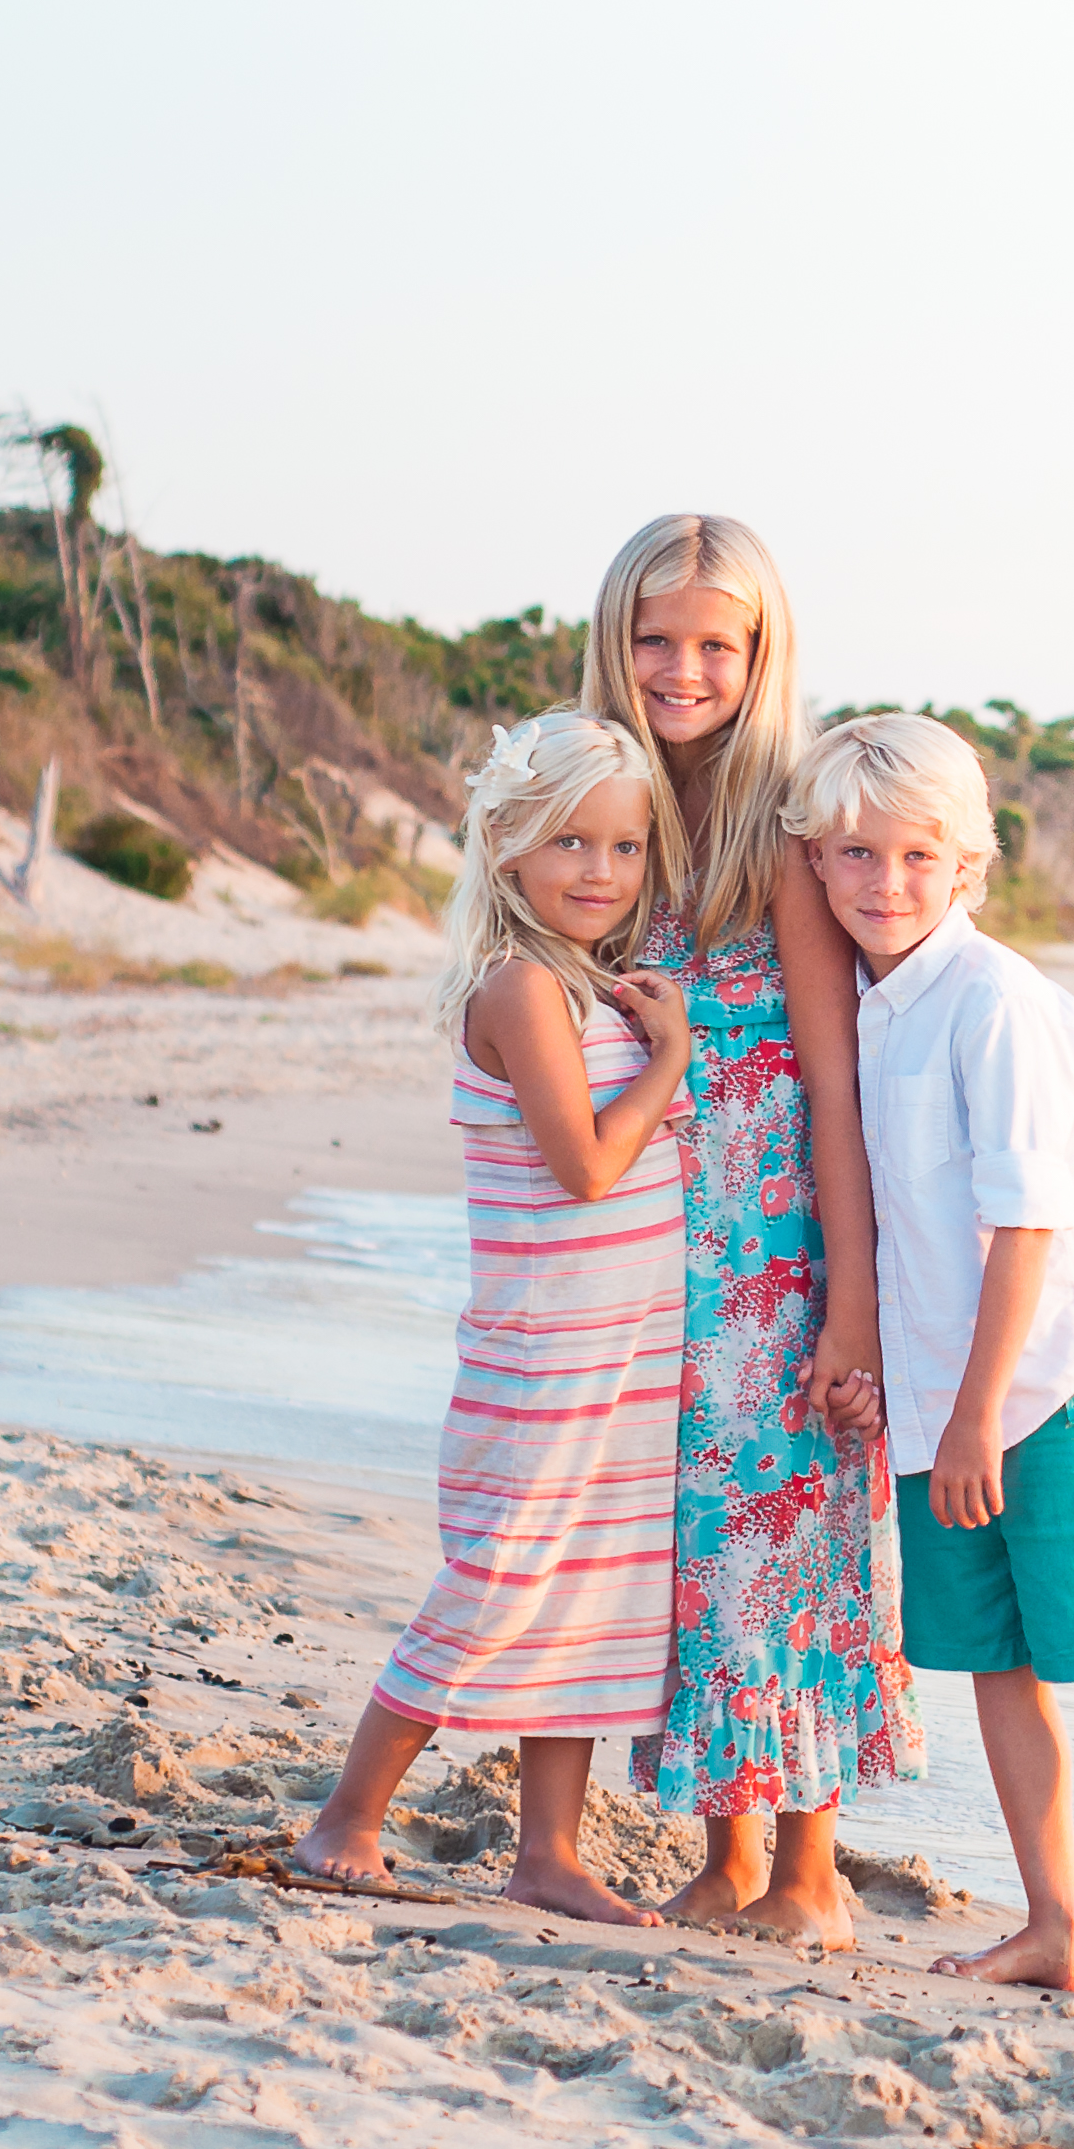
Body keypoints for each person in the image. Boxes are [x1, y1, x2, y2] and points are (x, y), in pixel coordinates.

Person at [782, 709, 1074, 2022]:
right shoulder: (863, 1010)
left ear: (969, 866)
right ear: (816, 862)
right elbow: (898, 1225)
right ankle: (1053, 1925)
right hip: (938, 1396)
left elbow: (1025, 1227)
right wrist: (883, 1373)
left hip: (1047, 1387)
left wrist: (980, 1413)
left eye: (919, 857)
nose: (886, 883)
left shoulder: (1000, 1003)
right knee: (994, 1660)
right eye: (856, 855)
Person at [584, 515, 922, 1950]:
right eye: (656, 638)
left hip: (776, 1250)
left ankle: (807, 1868)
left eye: (716, 643)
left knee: (791, 1536)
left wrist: (851, 1304)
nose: (682, 668)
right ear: (617, 641)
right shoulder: (598, 803)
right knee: (691, 1539)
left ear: (760, 652)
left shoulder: (783, 825)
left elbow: (834, 1077)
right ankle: (725, 1855)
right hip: (653, 1243)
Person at [293, 711, 689, 1925]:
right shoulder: (523, 987)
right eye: (571, 842)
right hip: (544, 1354)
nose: (599, 872)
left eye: (625, 850)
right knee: (500, 1574)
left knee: (586, 1590)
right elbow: (583, 1166)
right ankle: (347, 1816)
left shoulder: (594, 988)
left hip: (621, 1350)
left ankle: (549, 1853)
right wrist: (670, 1058)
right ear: (508, 844)